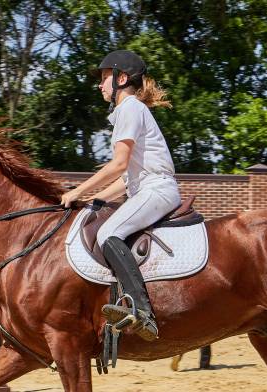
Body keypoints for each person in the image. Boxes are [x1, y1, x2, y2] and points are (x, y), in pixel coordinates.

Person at [61, 50, 181, 341]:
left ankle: (142, 311)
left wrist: (77, 190)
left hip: (157, 189)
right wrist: (95, 200)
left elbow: (118, 165)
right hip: (146, 188)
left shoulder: (130, 108)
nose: (100, 85)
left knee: (108, 234)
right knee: (106, 223)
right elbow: (126, 181)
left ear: (121, 79)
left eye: (104, 79)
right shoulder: (129, 111)